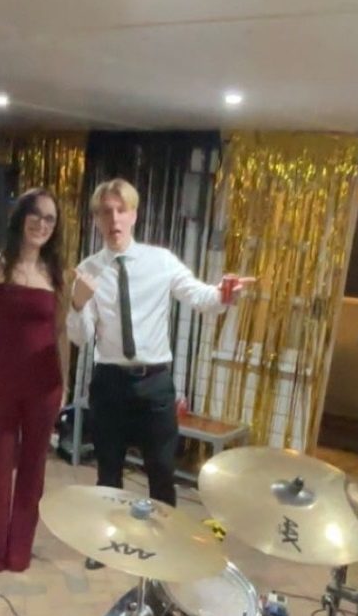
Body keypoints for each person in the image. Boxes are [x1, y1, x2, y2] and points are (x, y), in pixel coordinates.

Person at [67, 178, 253, 567]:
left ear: (134, 215)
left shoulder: (160, 261)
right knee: (108, 473)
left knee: (162, 471)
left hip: (154, 383)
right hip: (110, 382)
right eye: (105, 212)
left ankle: (166, 546)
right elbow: (79, 337)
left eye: (121, 210)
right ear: (97, 219)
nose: (114, 219)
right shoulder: (87, 271)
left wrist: (224, 294)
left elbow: (199, 296)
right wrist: (77, 304)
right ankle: (107, 545)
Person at [0, 188, 66, 573]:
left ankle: (20, 549)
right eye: (36, 215)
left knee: (33, 469)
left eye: (50, 219)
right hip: (1, 386)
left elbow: (60, 333)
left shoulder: (55, 274)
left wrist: (66, 384)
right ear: (20, 217)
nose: (42, 224)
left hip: (45, 386)